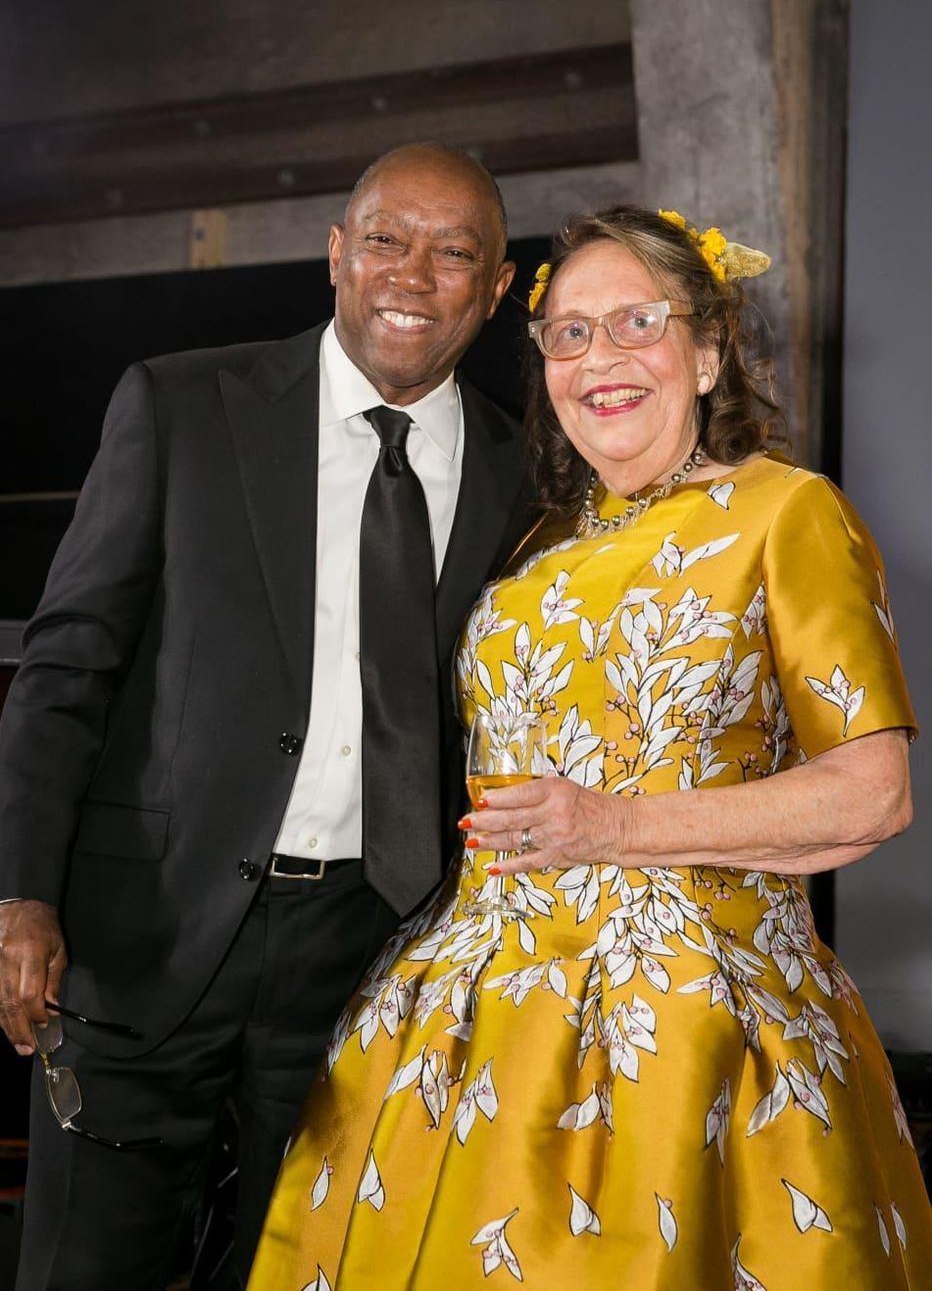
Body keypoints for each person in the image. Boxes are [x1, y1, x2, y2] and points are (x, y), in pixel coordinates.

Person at [249, 204, 932, 1289]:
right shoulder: (530, 543)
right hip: (463, 1035)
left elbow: (871, 792)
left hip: (686, 1034)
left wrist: (612, 826)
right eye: (567, 333)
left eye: (632, 324)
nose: (596, 359)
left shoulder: (782, 513)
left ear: (706, 351)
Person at [0, 142, 529, 1289]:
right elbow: (69, 664)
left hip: (373, 958)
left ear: (498, 286)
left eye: (453, 252)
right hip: (140, 935)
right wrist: (17, 888)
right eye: (385, 239)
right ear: (335, 254)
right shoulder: (181, 404)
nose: (412, 276)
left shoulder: (524, 478)